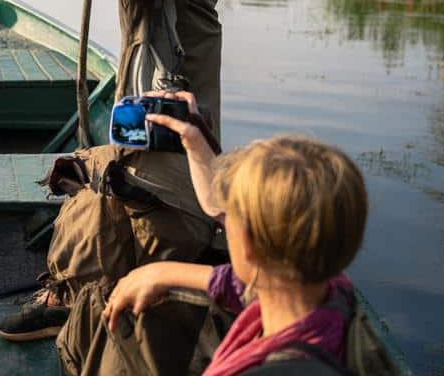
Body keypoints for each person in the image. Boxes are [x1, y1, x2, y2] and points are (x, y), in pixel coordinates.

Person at [0, 0, 250, 342]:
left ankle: (102, 292)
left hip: (175, 72)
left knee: (153, 175)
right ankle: (97, 283)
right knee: (130, 163)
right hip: (141, 61)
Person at [55, 92, 369, 376]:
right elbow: (228, 268)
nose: (220, 218)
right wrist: (195, 140)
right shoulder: (326, 291)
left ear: (248, 248)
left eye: (227, 220)